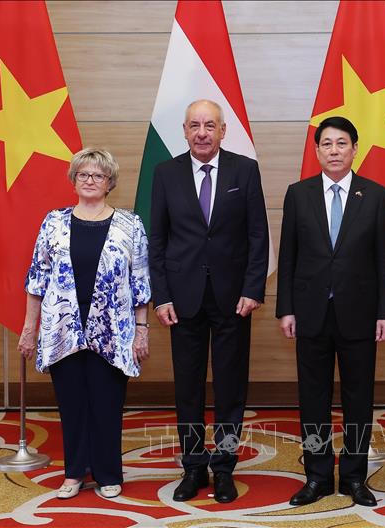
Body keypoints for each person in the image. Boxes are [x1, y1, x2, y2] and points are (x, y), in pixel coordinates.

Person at [149, 99, 269, 503]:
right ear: (184, 131)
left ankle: (224, 467)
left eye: (210, 125)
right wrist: (161, 296)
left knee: (231, 389)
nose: (202, 133)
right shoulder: (165, 173)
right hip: (182, 300)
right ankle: (193, 467)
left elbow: (258, 234)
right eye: (195, 126)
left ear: (223, 131)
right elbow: (157, 240)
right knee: (188, 389)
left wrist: (253, 288)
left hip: (233, 298)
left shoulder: (244, 170)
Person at [276, 116, 385, 507]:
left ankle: (354, 477)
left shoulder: (374, 194)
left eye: (341, 143)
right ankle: (316, 476)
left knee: (358, 401)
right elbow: (288, 255)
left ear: (354, 149)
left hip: (360, 313)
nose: (334, 151)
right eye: (326, 144)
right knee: (313, 401)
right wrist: (285, 309)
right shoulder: (298, 194)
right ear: (316, 151)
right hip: (310, 311)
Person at [19, 148, 151, 500]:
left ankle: (108, 473)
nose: (90, 180)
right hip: (62, 331)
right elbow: (37, 279)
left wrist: (142, 331)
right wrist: (29, 329)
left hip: (113, 332)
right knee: (72, 405)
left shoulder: (130, 225)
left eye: (98, 175)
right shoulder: (54, 222)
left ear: (110, 183)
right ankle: (74, 472)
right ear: (74, 180)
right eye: (83, 174)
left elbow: (141, 283)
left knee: (108, 405)